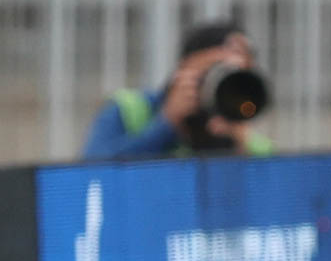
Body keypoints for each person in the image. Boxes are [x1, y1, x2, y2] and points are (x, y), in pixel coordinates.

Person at [81, 22, 273, 160]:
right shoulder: (129, 108)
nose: (222, 84)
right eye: (212, 69)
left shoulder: (244, 136)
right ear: (183, 68)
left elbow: (274, 186)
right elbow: (92, 173)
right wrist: (167, 123)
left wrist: (240, 142)